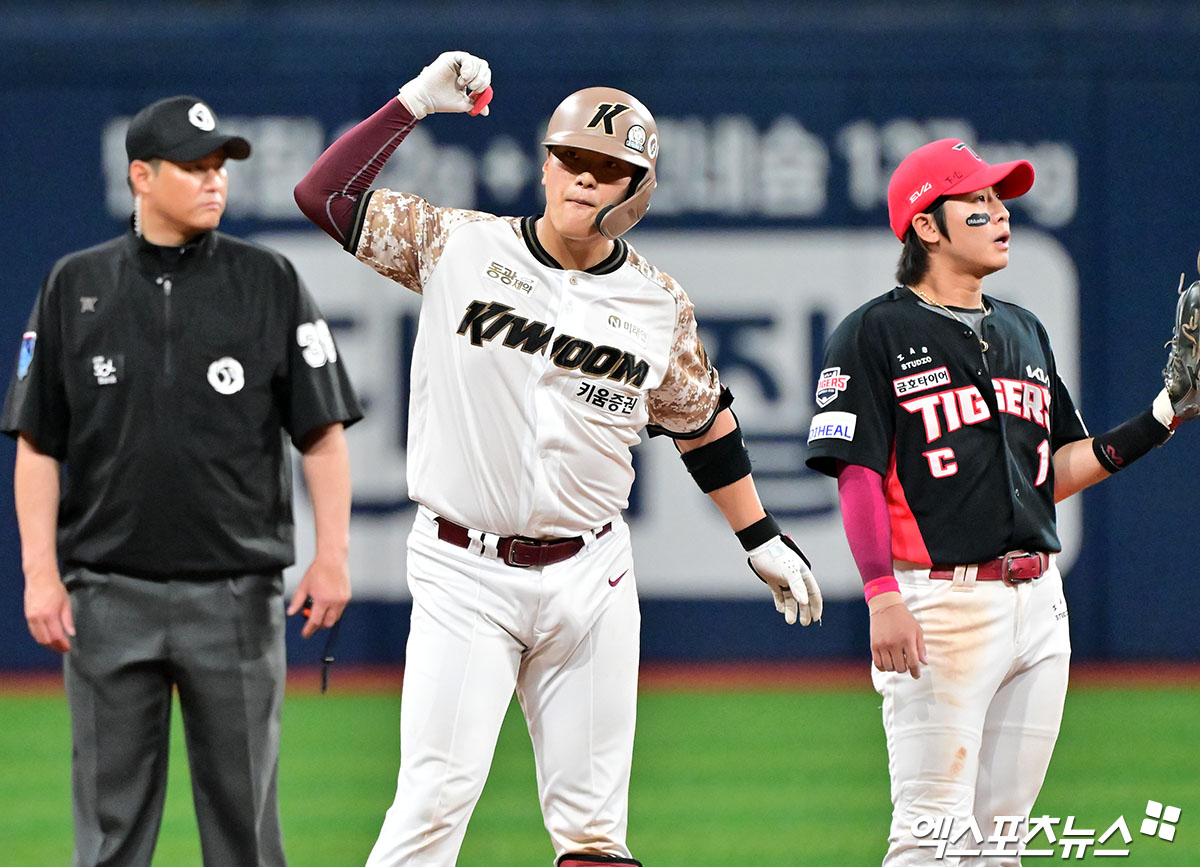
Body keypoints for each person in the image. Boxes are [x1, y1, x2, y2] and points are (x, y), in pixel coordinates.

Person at [294, 51, 823, 866]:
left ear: (636, 192)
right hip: (464, 569)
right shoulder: (456, 245)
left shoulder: (656, 303)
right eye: (570, 157)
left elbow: (703, 422)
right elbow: (322, 196)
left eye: (607, 168)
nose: (583, 177)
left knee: (594, 834)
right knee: (431, 806)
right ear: (544, 166)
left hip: (593, 574)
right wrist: (413, 103)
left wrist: (759, 536)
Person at [805, 138, 1197, 865]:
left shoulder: (1023, 329)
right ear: (927, 226)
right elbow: (856, 472)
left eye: (1000, 199)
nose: (1001, 213)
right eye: (978, 202)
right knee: (929, 836)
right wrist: (881, 594)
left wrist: (1164, 414)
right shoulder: (873, 332)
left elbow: (1057, 468)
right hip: (940, 607)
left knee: (1000, 842)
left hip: (1039, 606)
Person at [2, 95, 363, 867]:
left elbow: (322, 433)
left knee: (246, 837)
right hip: (107, 594)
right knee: (108, 838)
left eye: (219, 166)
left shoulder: (268, 280)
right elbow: (37, 444)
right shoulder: (74, 284)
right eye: (194, 166)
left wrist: (333, 554)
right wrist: (40, 574)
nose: (214, 181)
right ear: (142, 175)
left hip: (235, 594)